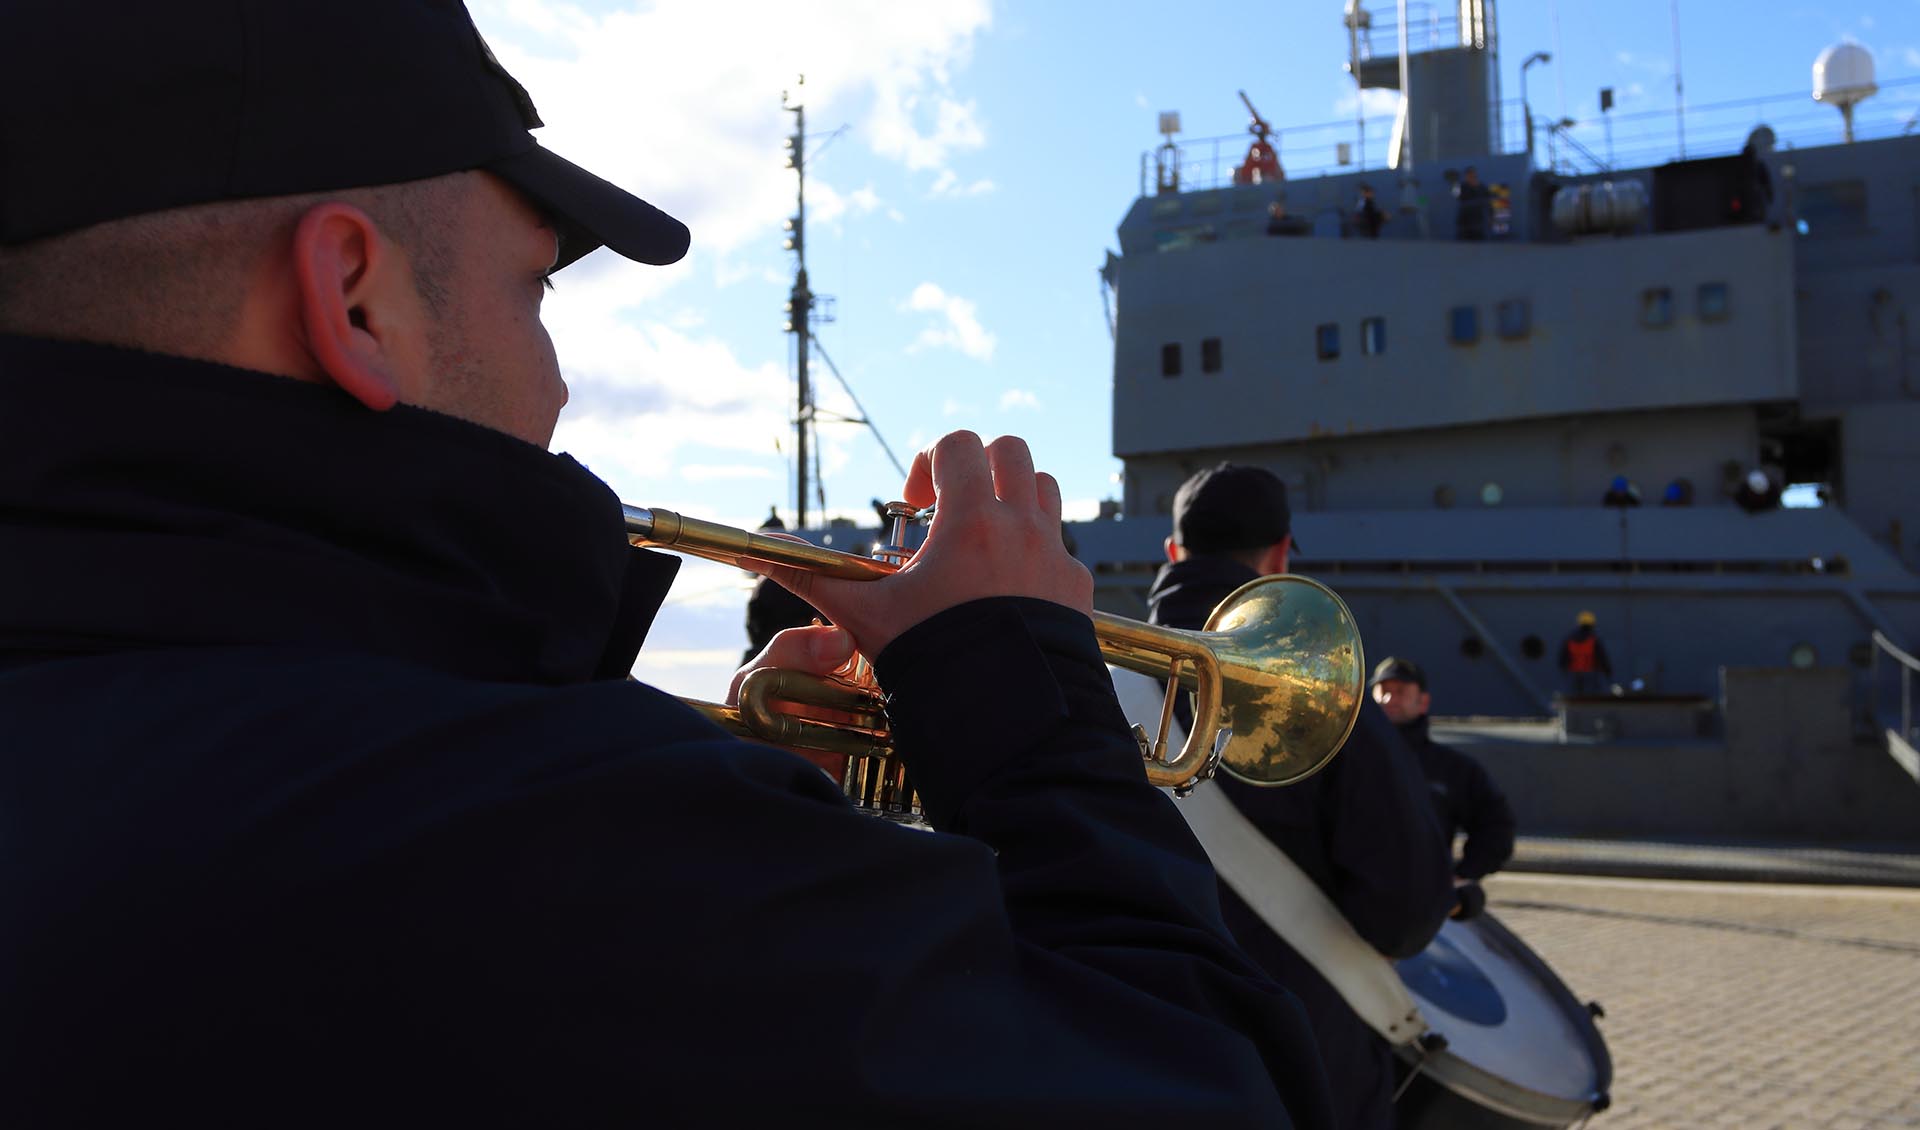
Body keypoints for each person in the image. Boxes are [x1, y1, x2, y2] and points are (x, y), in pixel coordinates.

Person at [0, 5, 1335, 1126]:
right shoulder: (544, 838)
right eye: (537, 293)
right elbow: (1209, 1089)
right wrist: (1028, 705)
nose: (561, 385)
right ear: (352, 296)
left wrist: (777, 831)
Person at [1147, 464, 1454, 1130]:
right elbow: (1405, 911)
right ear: (1282, 554)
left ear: (1172, 553)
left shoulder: (1090, 680)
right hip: (1299, 1064)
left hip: (1121, 1056)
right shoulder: (1327, 694)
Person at [1368, 657, 1516, 886]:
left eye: (1400, 691)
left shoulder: (1452, 769)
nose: (1389, 699)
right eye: (1382, 691)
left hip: (1421, 897)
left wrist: (1464, 872)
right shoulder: (1345, 762)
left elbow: (1496, 824)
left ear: (1423, 702)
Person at [1558, 611, 1615, 696]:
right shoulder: (1594, 640)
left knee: (1574, 699)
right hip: (1590, 675)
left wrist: (1565, 670)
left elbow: (1562, 659)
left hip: (1574, 675)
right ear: (1592, 625)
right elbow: (1602, 658)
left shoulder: (1569, 640)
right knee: (1590, 700)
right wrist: (1608, 672)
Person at [1452, 166, 1490, 241]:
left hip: (1477, 218)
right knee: (1463, 239)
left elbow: (1487, 200)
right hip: (1464, 218)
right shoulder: (1461, 186)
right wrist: (1455, 182)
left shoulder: (1481, 186)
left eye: (1472, 174)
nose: (1471, 176)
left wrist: (1490, 216)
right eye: (1469, 175)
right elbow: (1455, 195)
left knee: (1478, 239)